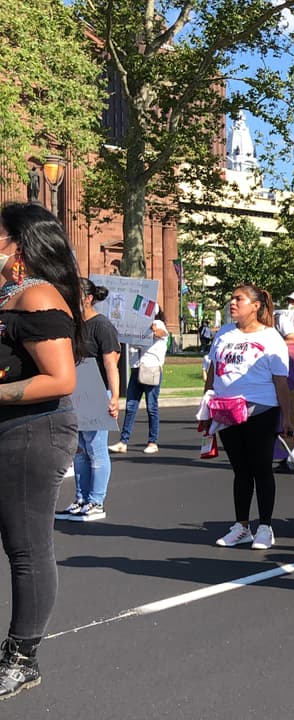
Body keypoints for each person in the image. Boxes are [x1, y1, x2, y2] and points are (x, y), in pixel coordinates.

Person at [0, 203, 83, 700]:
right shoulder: (9, 297)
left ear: (19, 246)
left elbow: (61, 378)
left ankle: (21, 657)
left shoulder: (38, 296)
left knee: (27, 548)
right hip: (9, 428)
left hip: (34, 431)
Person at [202, 284, 292, 550]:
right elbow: (213, 370)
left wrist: (286, 417)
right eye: (231, 298)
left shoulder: (271, 337)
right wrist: (206, 402)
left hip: (260, 410)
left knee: (261, 469)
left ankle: (265, 527)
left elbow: (281, 381)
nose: (232, 303)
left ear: (255, 306)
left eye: (238, 299)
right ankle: (241, 526)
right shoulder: (225, 333)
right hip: (226, 411)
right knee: (240, 472)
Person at [59, 278, 120, 521]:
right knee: (80, 450)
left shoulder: (101, 326)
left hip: (97, 391)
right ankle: (81, 499)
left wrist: (114, 396)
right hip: (76, 391)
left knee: (96, 449)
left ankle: (96, 501)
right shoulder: (71, 324)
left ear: (88, 298)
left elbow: (111, 363)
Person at [110, 309, 168, 455]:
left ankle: (152, 442)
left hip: (151, 368)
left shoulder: (157, 323)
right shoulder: (135, 325)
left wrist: (154, 330)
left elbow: (162, 333)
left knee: (152, 407)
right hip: (136, 369)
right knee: (131, 406)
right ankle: (123, 442)